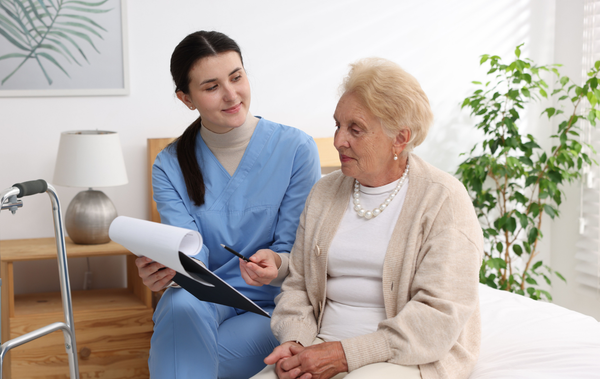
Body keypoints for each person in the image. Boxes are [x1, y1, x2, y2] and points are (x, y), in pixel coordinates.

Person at [253, 58, 483, 379]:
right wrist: (296, 340)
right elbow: (299, 285)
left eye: (355, 129)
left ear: (400, 139)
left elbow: (438, 315)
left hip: (406, 356)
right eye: (338, 125)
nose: (338, 141)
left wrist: (345, 356)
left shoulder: (443, 198)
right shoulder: (324, 192)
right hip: (320, 345)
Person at [135, 31, 321, 379]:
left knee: (185, 354)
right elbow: (190, 253)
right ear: (186, 98)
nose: (231, 94)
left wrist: (276, 263)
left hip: (271, 307)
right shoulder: (169, 165)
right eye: (211, 87)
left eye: (237, 77)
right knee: (178, 305)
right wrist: (167, 271)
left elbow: (298, 250)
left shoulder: (296, 149)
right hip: (205, 301)